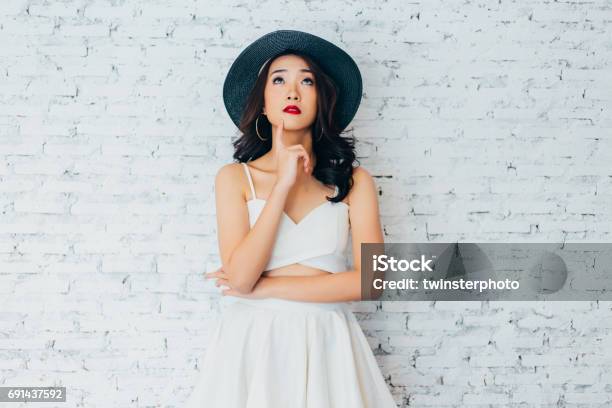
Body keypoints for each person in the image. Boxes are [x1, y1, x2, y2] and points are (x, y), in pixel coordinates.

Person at [185, 30, 397, 408]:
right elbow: (242, 276)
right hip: (253, 343)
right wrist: (282, 185)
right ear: (263, 104)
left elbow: (371, 280)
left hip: (328, 341)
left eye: (307, 80)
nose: (293, 91)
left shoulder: (355, 181)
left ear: (322, 99)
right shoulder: (235, 178)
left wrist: (265, 289)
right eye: (279, 79)